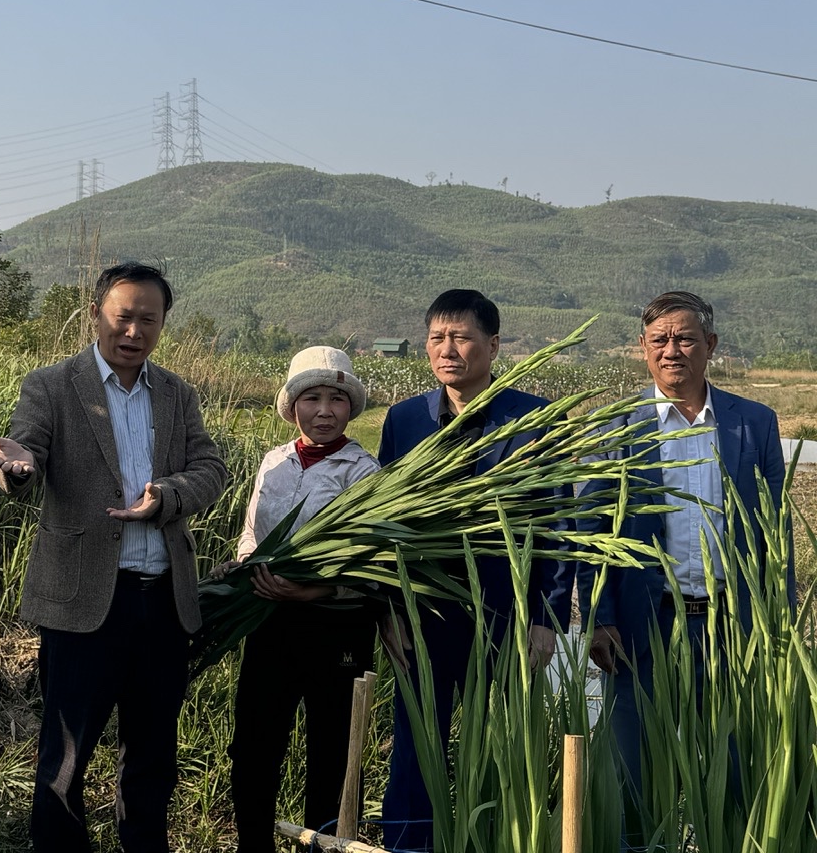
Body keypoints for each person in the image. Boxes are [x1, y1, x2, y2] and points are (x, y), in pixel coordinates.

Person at [0, 263, 228, 853]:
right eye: (123, 317)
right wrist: (15, 467)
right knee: (66, 758)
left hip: (163, 600)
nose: (134, 331)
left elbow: (212, 469)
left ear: (163, 324)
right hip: (84, 600)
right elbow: (23, 451)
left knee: (151, 759)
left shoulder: (176, 392)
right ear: (96, 314)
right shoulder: (53, 385)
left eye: (149, 319)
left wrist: (167, 498)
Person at [577, 290, 787, 847]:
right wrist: (597, 617)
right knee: (632, 770)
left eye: (686, 337)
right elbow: (592, 531)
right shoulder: (616, 426)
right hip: (643, 625)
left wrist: (779, 620)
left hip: (729, 625)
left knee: (736, 763)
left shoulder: (754, 423)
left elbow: (775, 530)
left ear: (710, 346)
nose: (673, 349)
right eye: (660, 339)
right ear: (643, 350)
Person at [377, 289, 571, 853]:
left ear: (492, 344)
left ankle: (492, 842)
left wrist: (545, 618)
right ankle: (409, 847)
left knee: (502, 745)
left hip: (505, 611)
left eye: (461, 337)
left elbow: (558, 523)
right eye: (437, 337)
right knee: (416, 743)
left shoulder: (532, 421)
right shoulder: (405, 419)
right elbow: (383, 528)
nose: (448, 349)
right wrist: (389, 608)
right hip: (424, 614)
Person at [216, 346, 381, 852]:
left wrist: (315, 589)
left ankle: (321, 846)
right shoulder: (275, 461)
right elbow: (251, 533)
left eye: (336, 398)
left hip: (338, 627)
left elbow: (376, 564)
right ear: (294, 406)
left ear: (351, 407)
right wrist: (244, 568)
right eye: (312, 398)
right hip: (269, 621)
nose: (325, 410)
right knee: (254, 746)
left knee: (331, 750)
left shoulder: (365, 473)